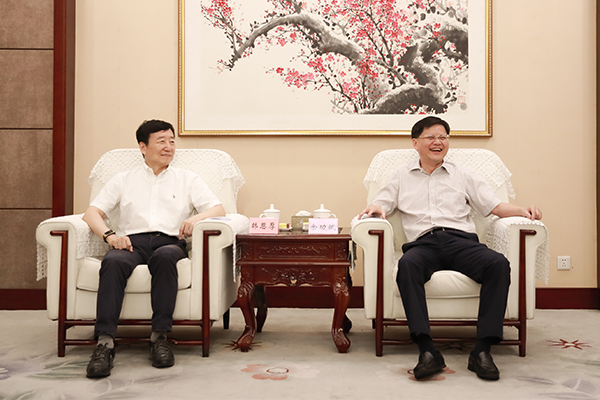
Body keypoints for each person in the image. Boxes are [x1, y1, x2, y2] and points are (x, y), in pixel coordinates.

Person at [358, 116, 542, 381]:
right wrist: (376, 208)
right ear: (416, 143)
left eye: (443, 137)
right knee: (407, 266)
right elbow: (382, 203)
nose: (438, 142)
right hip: (423, 243)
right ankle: (427, 350)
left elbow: (494, 206)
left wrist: (523, 211)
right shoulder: (400, 176)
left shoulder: (462, 175)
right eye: (431, 137)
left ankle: (482, 350)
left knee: (497, 264)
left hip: (461, 242)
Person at [82, 119, 226, 379]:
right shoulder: (123, 179)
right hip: (131, 243)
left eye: (172, 141)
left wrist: (195, 219)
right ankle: (104, 343)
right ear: (143, 147)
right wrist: (110, 236)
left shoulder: (187, 179)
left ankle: (159, 337)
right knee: (112, 261)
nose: (169, 147)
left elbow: (218, 209)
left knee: (165, 257)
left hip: (169, 243)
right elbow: (91, 213)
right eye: (161, 141)